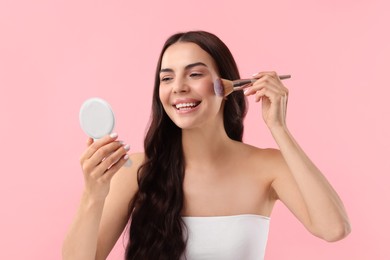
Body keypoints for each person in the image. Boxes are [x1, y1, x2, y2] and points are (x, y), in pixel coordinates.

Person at [62, 30, 351, 260]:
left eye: (195, 73)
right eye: (167, 78)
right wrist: (93, 193)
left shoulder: (268, 167)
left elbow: (334, 228)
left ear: (227, 86)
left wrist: (279, 128)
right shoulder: (135, 170)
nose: (178, 87)